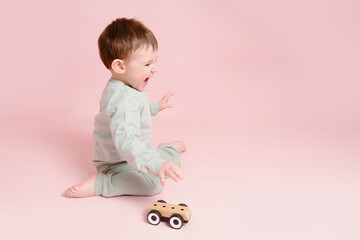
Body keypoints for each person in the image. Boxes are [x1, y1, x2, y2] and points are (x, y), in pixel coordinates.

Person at [63, 18, 186, 198]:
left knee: (170, 163)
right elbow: (128, 142)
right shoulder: (123, 101)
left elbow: (139, 107)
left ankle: (167, 150)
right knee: (153, 185)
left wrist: (156, 107)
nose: (154, 69)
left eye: (154, 62)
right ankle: (101, 183)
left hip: (137, 150)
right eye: (147, 64)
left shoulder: (127, 85)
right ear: (120, 66)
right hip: (118, 162)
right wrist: (156, 165)